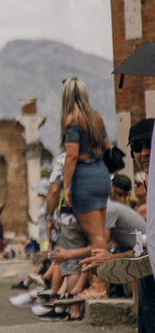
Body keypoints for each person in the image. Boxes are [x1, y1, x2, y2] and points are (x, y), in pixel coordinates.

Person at [96, 118, 154, 332]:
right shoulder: (149, 183)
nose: (144, 152)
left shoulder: (112, 210)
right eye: (137, 147)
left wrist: (112, 258)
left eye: (150, 144)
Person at [59, 78, 112, 300]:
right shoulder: (96, 117)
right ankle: (100, 284)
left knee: (96, 236)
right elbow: (106, 147)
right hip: (101, 174)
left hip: (84, 177)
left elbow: (71, 155)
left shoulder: (72, 120)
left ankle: (99, 286)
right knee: (100, 234)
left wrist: (66, 186)